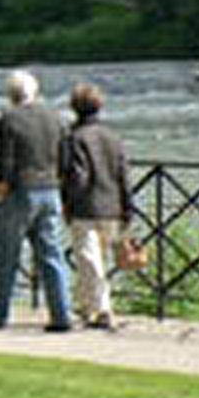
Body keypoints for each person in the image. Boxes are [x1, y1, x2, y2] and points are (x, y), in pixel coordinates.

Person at [0, 70, 73, 332]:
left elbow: (6, 161)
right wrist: (61, 187)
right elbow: (65, 159)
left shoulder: (9, 119)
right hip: (50, 189)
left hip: (20, 190)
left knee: (6, 254)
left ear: (11, 94)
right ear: (35, 92)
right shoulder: (56, 117)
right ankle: (62, 314)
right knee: (52, 254)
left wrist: (1, 189)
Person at [62, 82, 133, 331]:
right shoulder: (113, 136)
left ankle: (102, 310)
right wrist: (128, 207)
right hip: (112, 206)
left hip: (86, 207)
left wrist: (67, 202)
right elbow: (124, 174)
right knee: (94, 261)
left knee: (89, 260)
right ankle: (85, 308)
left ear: (74, 108)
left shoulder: (75, 137)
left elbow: (78, 177)